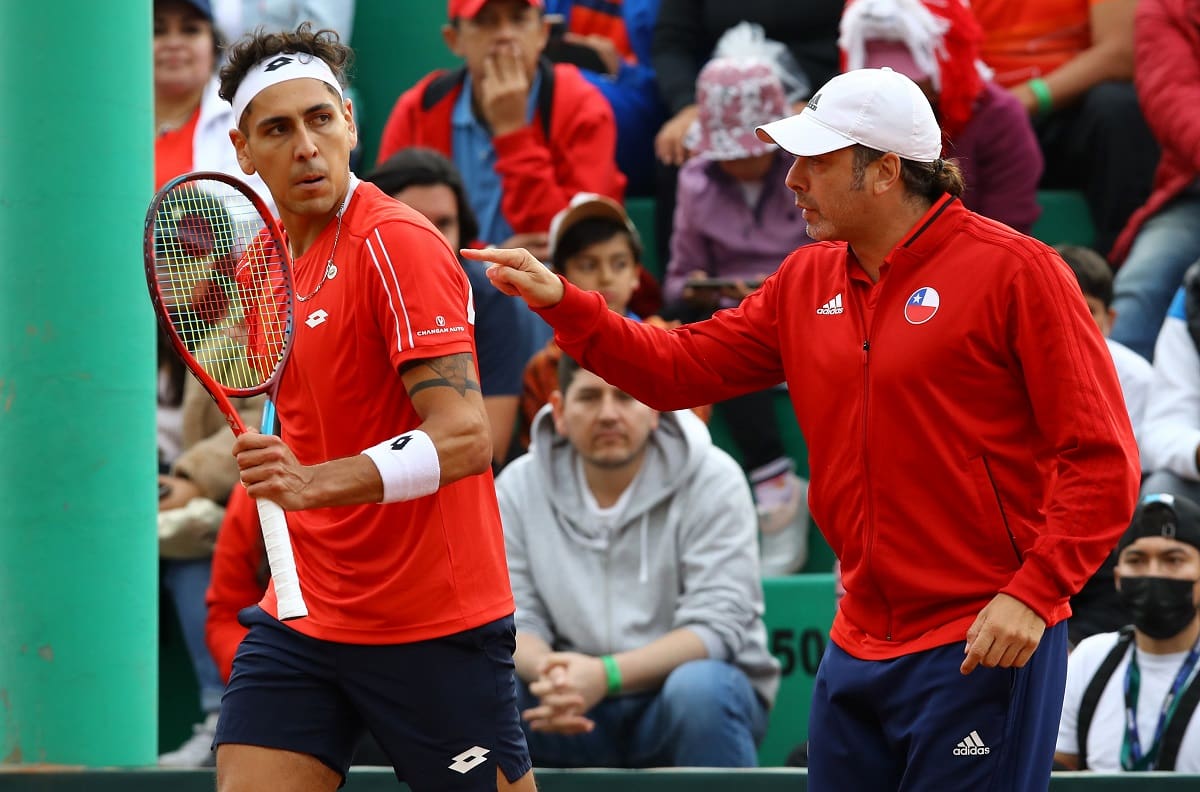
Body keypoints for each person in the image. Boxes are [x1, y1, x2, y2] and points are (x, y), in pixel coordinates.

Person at [466, 66, 1140, 789]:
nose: (791, 179)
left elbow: (1103, 461)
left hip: (985, 640)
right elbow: (676, 368)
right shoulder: (804, 279)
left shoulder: (1020, 273)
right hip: (857, 642)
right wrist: (566, 302)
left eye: (815, 160)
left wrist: (1034, 593)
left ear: (885, 171)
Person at [210, 24, 536, 791]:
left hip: (434, 623)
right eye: (278, 129)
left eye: (321, 119)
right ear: (243, 150)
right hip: (306, 615)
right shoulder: (266, 263)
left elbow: (465, 439)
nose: (306, 146)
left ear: (351, 123)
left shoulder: (398, 243)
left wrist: (313, 485)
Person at [496, 354, 780, 767]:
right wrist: (553, 675)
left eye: (626, 397)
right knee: (491, 687)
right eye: (590, 397)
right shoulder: (518, 487)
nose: (608, 414)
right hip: (568, 701)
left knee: (699, 691)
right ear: (558, 411)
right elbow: (513, 618)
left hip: (678, 697)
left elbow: (718, 625)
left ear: (654, 410)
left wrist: (605, 675)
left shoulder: (714, 478)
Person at [153, 0, 270, 767]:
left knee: (198, 528)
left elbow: (251, 419)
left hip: (211, 496)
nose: (171, 44)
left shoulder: (241, 321)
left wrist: (189, 481)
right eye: (157, 28)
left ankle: (218, 714)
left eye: (189, 27)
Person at [663, 55, 812, 575]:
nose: (743, 162)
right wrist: (714, 292)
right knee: (708, 339)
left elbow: (839, 249)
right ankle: (773, 483)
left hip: (811, 304)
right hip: (738, 320)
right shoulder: (696, 182)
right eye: (731, 152)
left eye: (754, 151)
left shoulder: (808, 170)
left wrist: (780, 286)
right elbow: (678, 280)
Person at [375, 0, 625, 260]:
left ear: (543, 33)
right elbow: (389, 228)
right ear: (454, 39)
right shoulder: (419, 108)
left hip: (547, 289)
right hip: (445, 284)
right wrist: (491, 258)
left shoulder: (582, 106)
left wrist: (513, 134)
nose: (505, 35)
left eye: (519, 20)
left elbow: (581, 247)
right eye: (486, 21)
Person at [364, 148, 545, 466]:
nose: (432, 239)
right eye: (413, 222)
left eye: (444, 224)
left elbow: (486, 450)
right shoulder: (348, 285)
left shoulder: (490, 297)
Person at [971, 0, 1158, 257]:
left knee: (1119, 107)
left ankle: (1118, 261)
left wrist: (1028, 98)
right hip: (975, 109)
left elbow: (1121, 52)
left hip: (1065, 112)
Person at [838, 0, 1043, 234]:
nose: (894, 82)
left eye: (911, 72)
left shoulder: (998, 116)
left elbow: (1006, 231)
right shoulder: (847, 115)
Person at [1056, 492, 1200, 772]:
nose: (1153, 572)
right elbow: (1061, 771)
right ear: (1119, 578)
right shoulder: (1090, 658)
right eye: (1137, 560)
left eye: (1173, 560)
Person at [1108, 0, 1200, 361]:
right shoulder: (1164, 8)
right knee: (1139, 287)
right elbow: (1173, 101)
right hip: (1192, 192)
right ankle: (1110, 405)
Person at [542, 0, 664, 196]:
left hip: (641, 118)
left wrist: (621, 70)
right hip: (557, 100)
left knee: (563, 88)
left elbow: (670, 79)